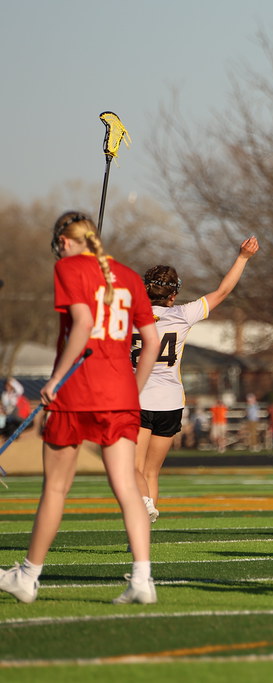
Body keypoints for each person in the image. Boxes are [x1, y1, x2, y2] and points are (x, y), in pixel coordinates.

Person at [0, 211, 159, 605]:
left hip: (77, 392)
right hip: (119, 395)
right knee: (127, 490)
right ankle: (143, 579)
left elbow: (84, 323)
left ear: (65, 241)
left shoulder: (69, 268)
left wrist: (54, 381)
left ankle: (28, 575)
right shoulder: (128, 275)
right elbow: (151, 342)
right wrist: (131, 390)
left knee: (55, 487)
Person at [132, 237, 259, 522]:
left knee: (134, 469)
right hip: (170, 402)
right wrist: (242, 258)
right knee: (152, 471)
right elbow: (223, 291)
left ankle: (143, 507)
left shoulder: (129, 315)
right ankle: (143, 530)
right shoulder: (182, 314)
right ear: (173, 295)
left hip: (137, 400)